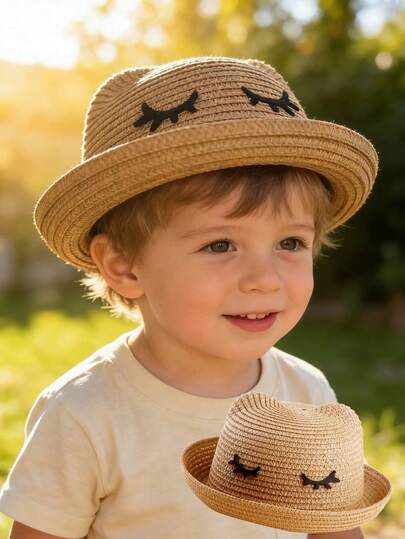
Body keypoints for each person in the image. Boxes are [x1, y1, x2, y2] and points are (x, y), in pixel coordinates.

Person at [0, 56, 378, 539]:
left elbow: (335, 531)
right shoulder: (84, 413)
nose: (264, 279)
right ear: (123, 266)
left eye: (290, 242)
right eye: (220, 245)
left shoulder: (307, 395)